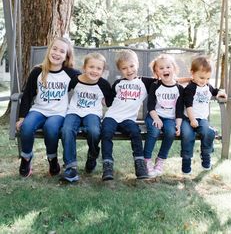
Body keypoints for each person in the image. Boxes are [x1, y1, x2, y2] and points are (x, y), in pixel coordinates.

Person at [16, 37, 81, 177]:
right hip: (39, 109)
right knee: (26, 127)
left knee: (50, 128)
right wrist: (22, 117)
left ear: (66, 56)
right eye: (54, 49)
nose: (57, 53)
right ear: (49, 50)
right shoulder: (38, 71)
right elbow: (27, 95)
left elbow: (88, 83)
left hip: (58, 112)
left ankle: (52, 159)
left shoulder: (70, 73)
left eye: (62, 51)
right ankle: (26, 158)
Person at [101, 49, 155, 181]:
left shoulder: (145, 82)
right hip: (112, 116)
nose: (129, 70)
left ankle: (140, 164)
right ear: (120, 70)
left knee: (135, 132)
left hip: (128, 119)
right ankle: (107, 166)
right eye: (124, 68)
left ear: (137, 64)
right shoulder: (118, 84)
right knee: (106, 132)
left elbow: (168, 79)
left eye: (131, 66)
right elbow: (108, 101)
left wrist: (189, 79)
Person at [61, 52, 113, 182]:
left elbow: (110, 101)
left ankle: (92, 155)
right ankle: (71, 167)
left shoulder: (104, 85)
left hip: (92, 112)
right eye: (91, 67)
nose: (94, 71)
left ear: (102, 70)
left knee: (94, 131)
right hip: (74, 111)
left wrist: (105, 101)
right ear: (84, 67)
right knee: (66, 130)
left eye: (98, 68)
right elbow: (63, 89)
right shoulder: (75, 80)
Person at [181, 56, 227, 174]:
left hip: (202, 119)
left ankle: (206, 156)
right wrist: (192, 119)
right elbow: (188, 105)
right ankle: (186, 162)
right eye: (201, 77)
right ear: (192, 73)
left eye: (207, 78)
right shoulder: (190, 88)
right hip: (188, 119)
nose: (204, 80)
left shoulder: (207, 86)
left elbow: (215, 90)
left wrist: (221, 93)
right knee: (187, 135)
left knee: (208, 132)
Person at [143, 54, 184, 177]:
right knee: (154, 131)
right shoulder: (155, 85)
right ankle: (147, 160)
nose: (165, 70)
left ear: (174, 69)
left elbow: (179, 110)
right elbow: (150, 105)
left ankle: (160, 160)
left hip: (170, 118)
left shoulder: (179, 88)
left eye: (168, 67)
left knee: (170, 132)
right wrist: (156, 118)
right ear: (156, 72)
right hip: (154, 115)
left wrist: (178, 124)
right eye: (161, 68)